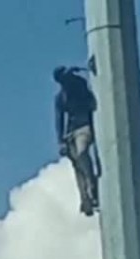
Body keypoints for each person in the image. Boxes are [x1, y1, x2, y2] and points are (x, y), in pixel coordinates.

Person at [54, 66, 99, 216]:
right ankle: (86, 200)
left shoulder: (79, 85)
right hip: (71, 133)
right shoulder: (61, 97)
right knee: (78, 167)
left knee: (82, 152)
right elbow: (59, 120)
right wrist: (61, 141)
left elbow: (89, 101)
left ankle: (92, 185)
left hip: (84, 126)